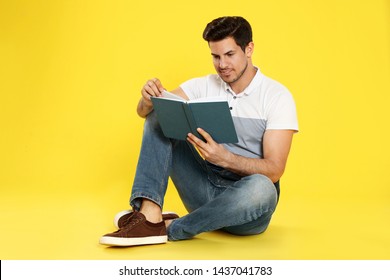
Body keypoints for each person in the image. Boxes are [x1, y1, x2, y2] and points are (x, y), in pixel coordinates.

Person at [100, 16, 298, 247]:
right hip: (203, 188)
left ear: (249, 49)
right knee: (159, 116)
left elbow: (274, 170)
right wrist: (147, 99)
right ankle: (150, 215)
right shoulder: (202, 85)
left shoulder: (277, 96)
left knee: (263, 188)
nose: (222, 64)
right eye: (215, 56)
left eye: (230, 55)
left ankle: (172, 228)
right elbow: (145, 113)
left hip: (246, 206)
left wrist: (226, 158)